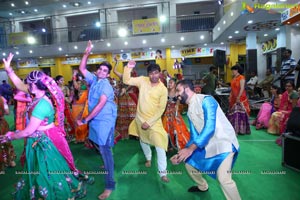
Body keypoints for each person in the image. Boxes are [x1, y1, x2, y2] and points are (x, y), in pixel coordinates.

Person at [1, 54, 90, 199]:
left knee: (46, 171)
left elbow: (29, 131)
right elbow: (20, 85)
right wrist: (9, 70)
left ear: (35, 86)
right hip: (38, 138)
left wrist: (11, 135)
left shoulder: (41, 105)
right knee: (40, 169)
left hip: (44, 140)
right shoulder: (37, 94)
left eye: (28, 83)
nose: (26, 85)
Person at [172, 79, 241, 200]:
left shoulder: (206, 100)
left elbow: (210, 128)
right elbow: (194, 136)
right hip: (207, 144)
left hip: (224, 143)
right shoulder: (189, 110)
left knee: (223, 179)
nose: (176, 94)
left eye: (178, 90)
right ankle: (202, 186)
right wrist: (182, 153)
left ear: (187, 89)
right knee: (189, 163)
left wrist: (191, 149)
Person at [77, 40, 117, 200]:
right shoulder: (95, 80)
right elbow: (81, 68)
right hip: (97, 120)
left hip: (104, 120)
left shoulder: (106, 85)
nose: (101, 71)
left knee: (105, 151)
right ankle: (105, 157)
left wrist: (86, 119)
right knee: (100, 145)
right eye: (100, 69)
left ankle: (109, 186)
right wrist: (86, 53)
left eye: (104, 70)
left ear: (108, 74)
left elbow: (100, 104)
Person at [123, 60, 169, 182]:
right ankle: (148, 158)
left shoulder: (163, 89)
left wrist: (149, 122)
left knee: (160, 145)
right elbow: (126, 81)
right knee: (143, 141)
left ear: (159, 73)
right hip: (139, 119)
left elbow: (161, 109)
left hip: (154, 122)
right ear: (148, 74)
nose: (153, 76)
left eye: (156, 73)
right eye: (151, 73)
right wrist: (128, 68)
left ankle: (163, 173)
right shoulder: (143, 80)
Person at [113, 57, 138, 140]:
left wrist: (125, 90)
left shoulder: (133, 75)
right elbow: (114, 71)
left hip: (130, 97)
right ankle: (125, 133)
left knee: (132, 115)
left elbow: (132, 84)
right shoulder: (122, 76)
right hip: (123, 98)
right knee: (123, 115)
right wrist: (117, 63)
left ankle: (134, 133)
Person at [162, 78, 190, 151]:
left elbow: (177, 104)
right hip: (166, 113)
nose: (169, 84)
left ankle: (178, 145)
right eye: (169, 82)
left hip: (174, 112)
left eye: (171, 83)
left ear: (175, 84)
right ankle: (168, 145)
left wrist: (176, 114)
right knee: (166, 128)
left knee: (177, 128)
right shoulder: (166, 91)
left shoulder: (177, 92)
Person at [55, 75, 76, 141]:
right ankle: (63, 135)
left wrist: (70, 96)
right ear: (57, 81)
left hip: (66, 105)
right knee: (60, 121)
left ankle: (70, 135)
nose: (63, 81)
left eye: (63, 80)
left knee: (68, 119)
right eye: (61, 80)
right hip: (58, 106)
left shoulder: (66, 88)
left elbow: (69, 98)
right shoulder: (55, 89)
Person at [0, 93, 16, 170]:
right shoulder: (2, 98)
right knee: (5, 142)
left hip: (2, 125)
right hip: (2, 124)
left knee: (4, 141)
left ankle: (8, 160)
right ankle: (10, 160)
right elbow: (7, 112)